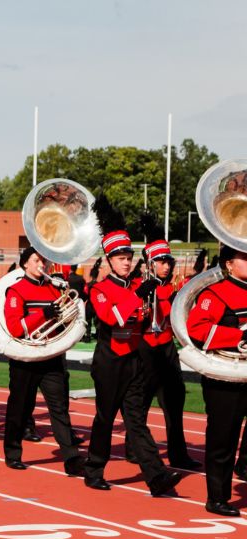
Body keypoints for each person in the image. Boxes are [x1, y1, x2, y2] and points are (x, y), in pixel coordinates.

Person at [83, 199, 181, 496]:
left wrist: (150, 304)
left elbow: (144, 321)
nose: (126, 261)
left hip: (134, 360)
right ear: (109, 260)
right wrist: (138, 294)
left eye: (129, 256)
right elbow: (112, 318)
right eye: (120, 257)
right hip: (110, 361)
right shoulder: (100, 289)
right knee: (105, 417)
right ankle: (94, 469)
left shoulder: (136, 287)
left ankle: (156, 476)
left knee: (136, 420)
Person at [2, 247, 85, 474]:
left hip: (51, 356)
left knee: (59, 408)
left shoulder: (54, 289)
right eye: (36, 260)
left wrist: (73, 301)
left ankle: (71, 457)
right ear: (25, 264)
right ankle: (13, 452)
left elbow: (68, 322)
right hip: (26, 358)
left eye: (44, 260)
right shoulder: (16, 291)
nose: (42, 264)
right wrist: (42, 314)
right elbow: (15, 328)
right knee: (20, 407)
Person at [131, 218, 200, 470]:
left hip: (167, 349)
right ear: (150, 263)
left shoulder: (174, 289)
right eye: (161, 261)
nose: (166, 266)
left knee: (174, 403)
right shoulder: (138, 287)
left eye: (168, 261)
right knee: (141, 402)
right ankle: (133, 447)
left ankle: (178, 454)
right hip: (145, 349)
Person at [186, 244, 247, 516]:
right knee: (223, 437)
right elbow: (197, 329)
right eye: (244, 257)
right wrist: (239, 337)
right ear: (228, 264)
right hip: (225, 375)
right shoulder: (215, 293)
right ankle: (217, 497)